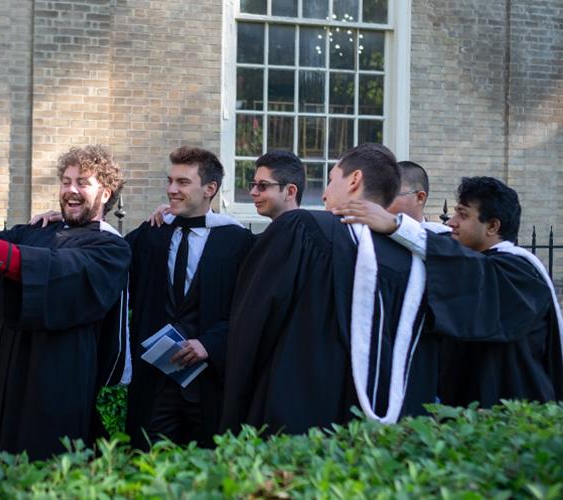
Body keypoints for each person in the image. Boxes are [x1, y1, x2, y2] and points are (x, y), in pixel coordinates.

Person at [0, 145, 131, 465]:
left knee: (39, 463)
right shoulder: (37, 232)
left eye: (83, 182)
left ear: (105, 193)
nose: (71, 190)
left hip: (53, 377)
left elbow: (56, 269)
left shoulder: (110, 248)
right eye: (65, 181)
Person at [220, 143, 432, 435]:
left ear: (354, 180)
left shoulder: (303, 229)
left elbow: (255, 321)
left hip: (297, 413)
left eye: (331, 180)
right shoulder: (413, 258)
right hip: (379, 430)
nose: (323, 194)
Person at [334, 176, 563, 408]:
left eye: (463, 215)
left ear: (493, 226)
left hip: (514, 417)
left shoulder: (520, 274)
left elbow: (471, 270)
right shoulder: (478, 262)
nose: (451, 222)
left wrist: (397, 225)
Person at [125, 146, 255, 449]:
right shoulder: (153, 233)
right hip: (155, 382)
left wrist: (210, 344)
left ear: (210, 188)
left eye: (183, 183)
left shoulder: (237, 242)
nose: (172, 190)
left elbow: (248, 308)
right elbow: (107, 256)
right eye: (170, 181)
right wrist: (67, 222)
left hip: (210, 383)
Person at [146, 150, 305, 227]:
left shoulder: (315, 244)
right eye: (254, 185)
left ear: (290, 192)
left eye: (263, 186)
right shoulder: (259, 241)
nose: (253, 192)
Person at [388, 161, 449, 234]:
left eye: (390, 195)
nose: (382, 202)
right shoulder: (373, 239)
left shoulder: (440, 237)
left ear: (420, 197)